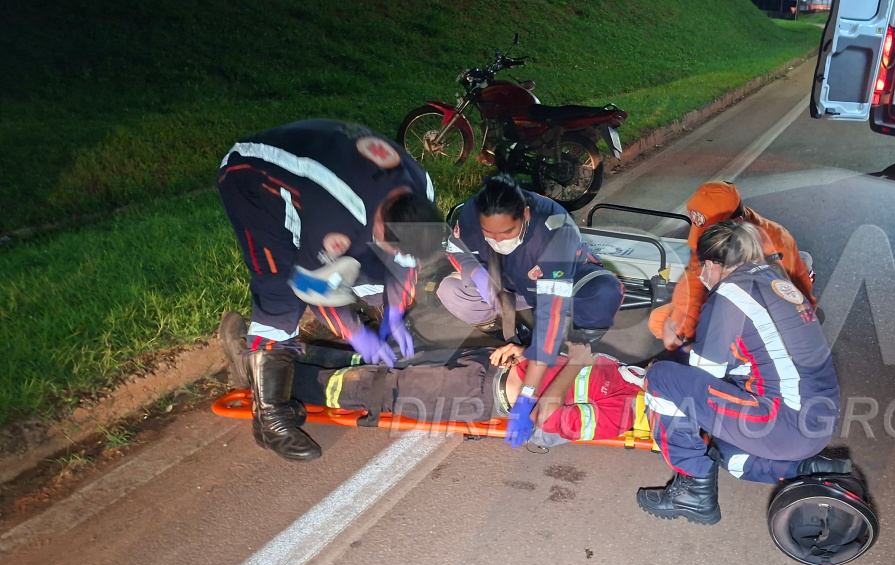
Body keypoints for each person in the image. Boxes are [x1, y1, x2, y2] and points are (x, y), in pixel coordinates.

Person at [217, 119, 440, 462]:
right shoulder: (336, 212)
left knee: (374, 270)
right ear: (381, 225)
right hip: (253, 179)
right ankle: (270, 419)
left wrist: (394, 314)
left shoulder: (422, 190)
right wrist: (357, 335)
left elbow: (404, 263)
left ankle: (250, 360)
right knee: (280, 291)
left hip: (329, 172)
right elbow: (314, 287)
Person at [637, 221, 847, 526]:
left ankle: (693, 492)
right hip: (816, 423)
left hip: (783, 421)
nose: (700, 275)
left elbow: (700, 375)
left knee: (662, 380)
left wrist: (658, 367)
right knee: (727, 453)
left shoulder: (729, 296)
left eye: (700, 268)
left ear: (711, 264)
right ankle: (805, 469)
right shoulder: (775, 280)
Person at [220, 313, 647, 445]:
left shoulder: (624, 414)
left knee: (377, 388)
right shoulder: (635, 374)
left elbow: (549, 420)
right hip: (490, 364)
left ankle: (259, 372)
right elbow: (563, 361)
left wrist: (572, 364)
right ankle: (278, 351)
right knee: (383, 364)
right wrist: (531, 353)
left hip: (483, 393)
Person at [438, 174, 624, 448]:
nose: (498, 240)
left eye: (507, 233)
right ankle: (510, 333)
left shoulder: (555, 231)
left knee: (603, 292)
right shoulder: (470, 213)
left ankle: (572, 350)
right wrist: (478, 275)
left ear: (525, 214)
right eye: (490, 234)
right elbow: (457, 250)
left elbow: (551, 317)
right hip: (511, 284)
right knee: (451, 291)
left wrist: (526, 397)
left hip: (566, 281)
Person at [649, 181, 816, 351]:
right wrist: (679, 320)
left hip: (763, 309)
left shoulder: (776, 245)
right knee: (660, 321)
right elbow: (694, 275)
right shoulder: (713, 236)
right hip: (728, 298)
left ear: (737, 221)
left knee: (726, 344)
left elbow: (785, 304)